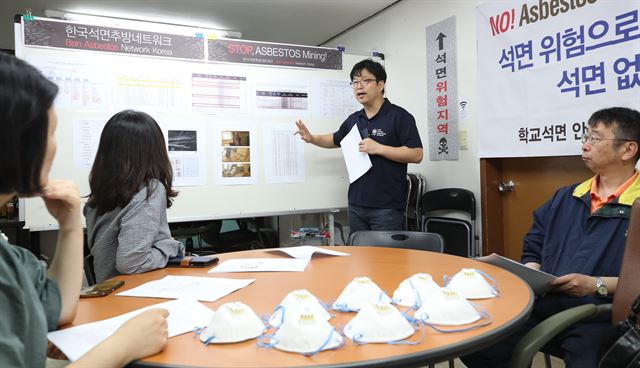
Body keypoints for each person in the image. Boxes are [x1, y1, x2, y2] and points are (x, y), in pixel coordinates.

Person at [0, 54, 169, 367]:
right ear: (16, 141)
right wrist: (122, 346)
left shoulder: (8, 254)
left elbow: (59, 307)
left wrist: (69, 226)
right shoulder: (150, 189)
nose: (54, 147)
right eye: (51, 133)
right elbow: (131, 260)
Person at [461, 107, 640, 368]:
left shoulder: (637, 206)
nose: (585, 145)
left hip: (601, 312)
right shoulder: (567, 196)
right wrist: (532, 273)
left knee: (589, 359)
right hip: (547, 301)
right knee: (479, 339)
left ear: (628, 150)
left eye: (595, 138)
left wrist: (596, 284)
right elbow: (534, 242)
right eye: (586, 137)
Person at [295, 59, 423, 233]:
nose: (359, 86)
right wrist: (312, 138)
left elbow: (416, 154)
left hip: (387, 208)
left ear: (381, 84)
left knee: (384, 259)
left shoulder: (399, 116)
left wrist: (379, 148)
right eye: (355, 82)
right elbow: (335, 139)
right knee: (358, 259)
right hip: (356, 205)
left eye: (365, 81)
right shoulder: (354, 119)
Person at [85, 110, 185, 283]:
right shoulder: (149, 190)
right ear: (155, 150)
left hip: (109, 293)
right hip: (135, 293)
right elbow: (131, 263)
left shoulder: (98, 196)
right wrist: (169, 246)